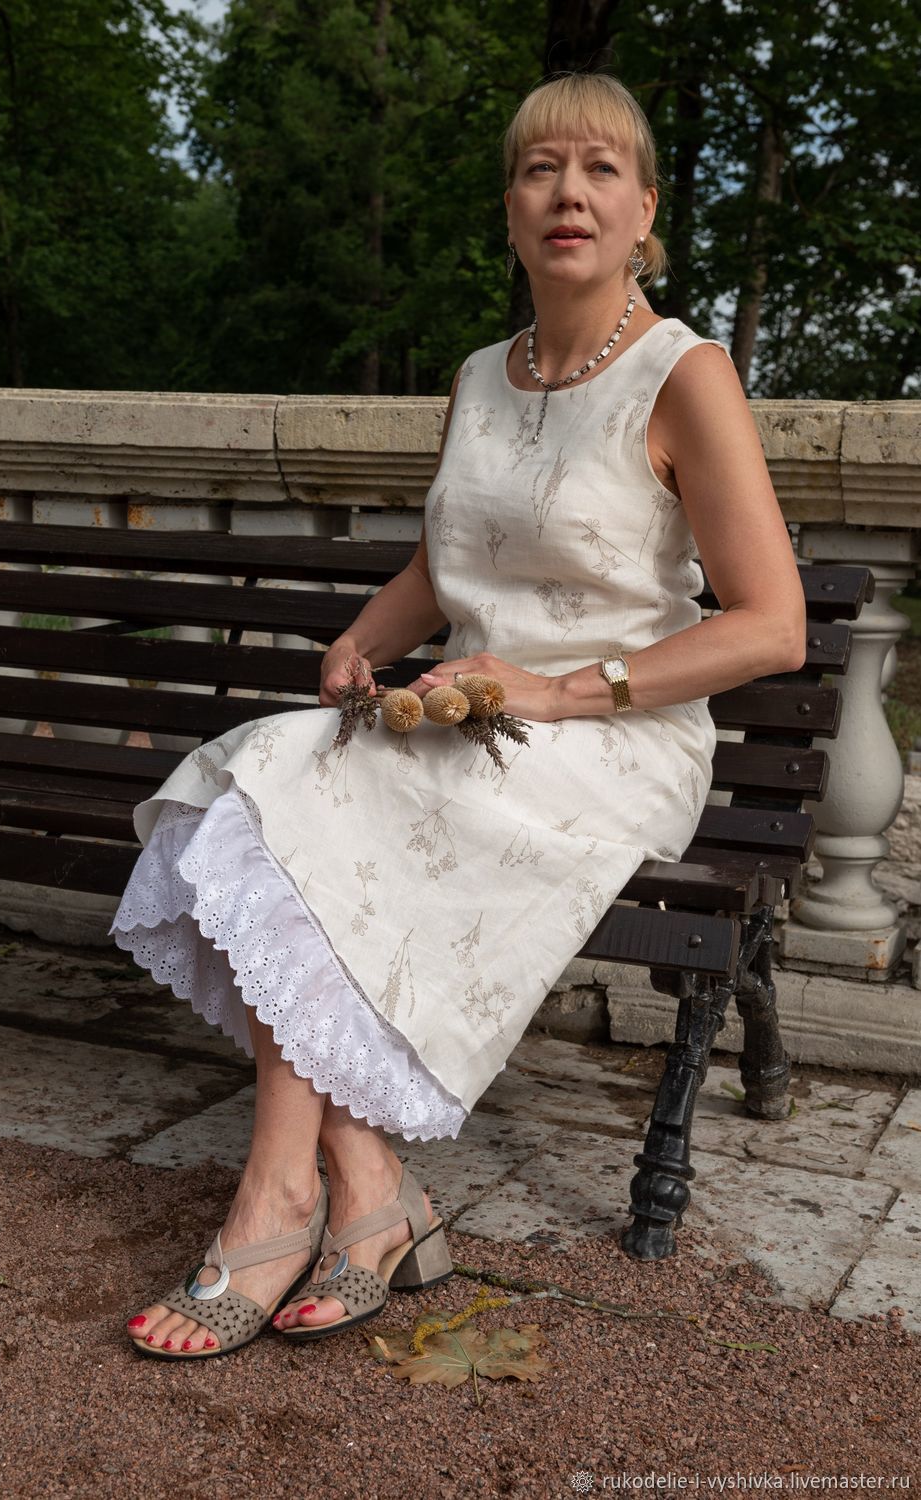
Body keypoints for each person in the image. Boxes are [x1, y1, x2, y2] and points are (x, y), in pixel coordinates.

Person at [114, 70, 806, 1360]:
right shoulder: (482, 377)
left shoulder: (685, 373)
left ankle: (277, 1202)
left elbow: (773, 627)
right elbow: (452, 562)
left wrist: (559, 689)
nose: (569, 193)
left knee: (308, 809)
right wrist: (363, 643)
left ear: (646, 211)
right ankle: (368, 1189)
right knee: (256, 786)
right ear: (510, 208)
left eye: (601, 170)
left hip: (610, 737)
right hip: (459, 716)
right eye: (542, 169)